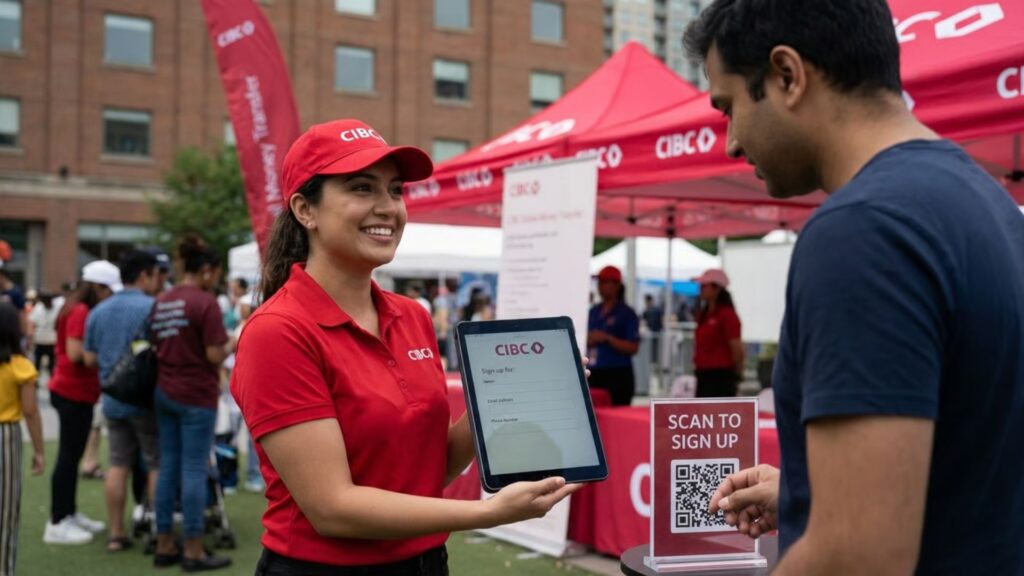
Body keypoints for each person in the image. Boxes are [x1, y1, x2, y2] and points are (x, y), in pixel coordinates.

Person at [684, 1, 1024, 573]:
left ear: (788, 76)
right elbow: (970, 461)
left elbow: (857, 556)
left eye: (729, 108)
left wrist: (835, 525)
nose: (732, 144)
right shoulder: (991, 205)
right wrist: (806, 492)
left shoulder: (863, 231)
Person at [231, 119, 580, 574]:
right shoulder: (278, 331)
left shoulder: (411, 315)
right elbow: (332, 507)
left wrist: (505, 396)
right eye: (361, 188)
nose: (387, 208)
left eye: (395, 191)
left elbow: (428, 471)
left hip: (426, 563)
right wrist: (488, 513)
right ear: (305, 209)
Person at [149, 235, 232, 571]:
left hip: (164, 391)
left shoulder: (163, 299)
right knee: (195, 468)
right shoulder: (205, 302)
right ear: (209, 270)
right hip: (196, 394)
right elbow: (214, 353)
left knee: (168, 467)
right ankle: (194, 549)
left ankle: (165, 543)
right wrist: (233, 344)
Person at [82, 250, 163, 552]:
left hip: (112, 398)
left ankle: (117, 533)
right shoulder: (153, 307)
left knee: (117, 463)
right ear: (143, 275)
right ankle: (157, 529)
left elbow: (88, 357)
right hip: (147, 398)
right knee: (156, 462)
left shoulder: (99, 311)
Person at [44, 260, 121, 544]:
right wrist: (109, 356)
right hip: (71, 391)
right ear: (97, 287)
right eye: (108, 291)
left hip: (75, 391)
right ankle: (57, 520)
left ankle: (68, 513)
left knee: (71, 457)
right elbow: (76, 353)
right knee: (67, 458)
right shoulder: (79, 311)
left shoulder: (76, 307)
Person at [0, 302, 45, 575]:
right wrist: (39, 450)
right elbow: (30, 411)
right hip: (6, 437)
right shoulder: (21, 366)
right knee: (6, 511)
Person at [586, 266, 640, 406]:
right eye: (600, 282)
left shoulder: (627, 313)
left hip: (618, 374)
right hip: (594, 372)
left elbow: (633, 347)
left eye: (605, 282)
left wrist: (607, 338)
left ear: (616, 285)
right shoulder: (593, 312)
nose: (601, 287)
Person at [692, 269, 743, 397]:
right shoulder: (704, 315)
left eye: (704, 286)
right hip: (703, 374)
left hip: (720, 376)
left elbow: (737, 348)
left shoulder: (727, 315)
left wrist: (736, 374)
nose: (700, 289)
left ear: (716, 288)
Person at [28, 292, 59, 375]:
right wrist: (30, 337)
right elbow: (32, 323)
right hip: (40, 340)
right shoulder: (38, 308)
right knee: (37, 363)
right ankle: (36, 380)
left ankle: (51, 379)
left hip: (52, 341)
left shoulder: (57, 308)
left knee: (51, 364)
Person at [641, 293, 663, 364]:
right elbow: (661, 321)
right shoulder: (657, 310)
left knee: (650, 350)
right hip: (657, 332)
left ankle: (652, 363)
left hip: (650, 333)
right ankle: (654, 363)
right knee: (655, 350)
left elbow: (643, 321)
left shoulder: (647, 311)